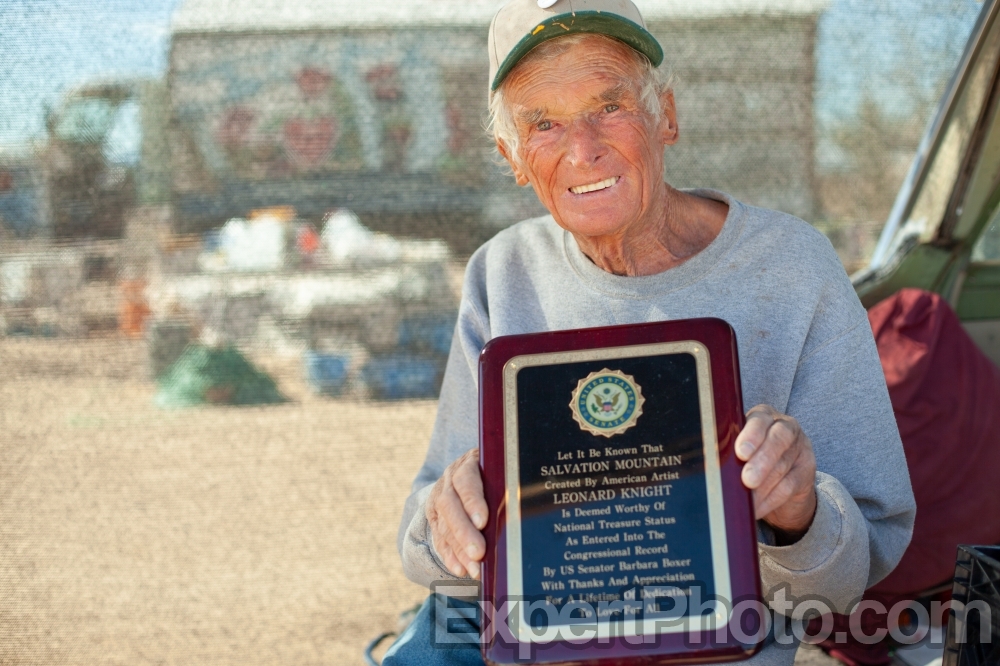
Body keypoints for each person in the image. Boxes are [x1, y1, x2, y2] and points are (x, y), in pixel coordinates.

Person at [388, 1, 916, 664]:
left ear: (666, 114)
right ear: (512, 155)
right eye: (543, 123)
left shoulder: (791, 266)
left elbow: (856, 572)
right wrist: (449, 526)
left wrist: (799, 514)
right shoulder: (504, 272)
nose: (583, 149)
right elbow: (426, 549)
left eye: (609, 106)